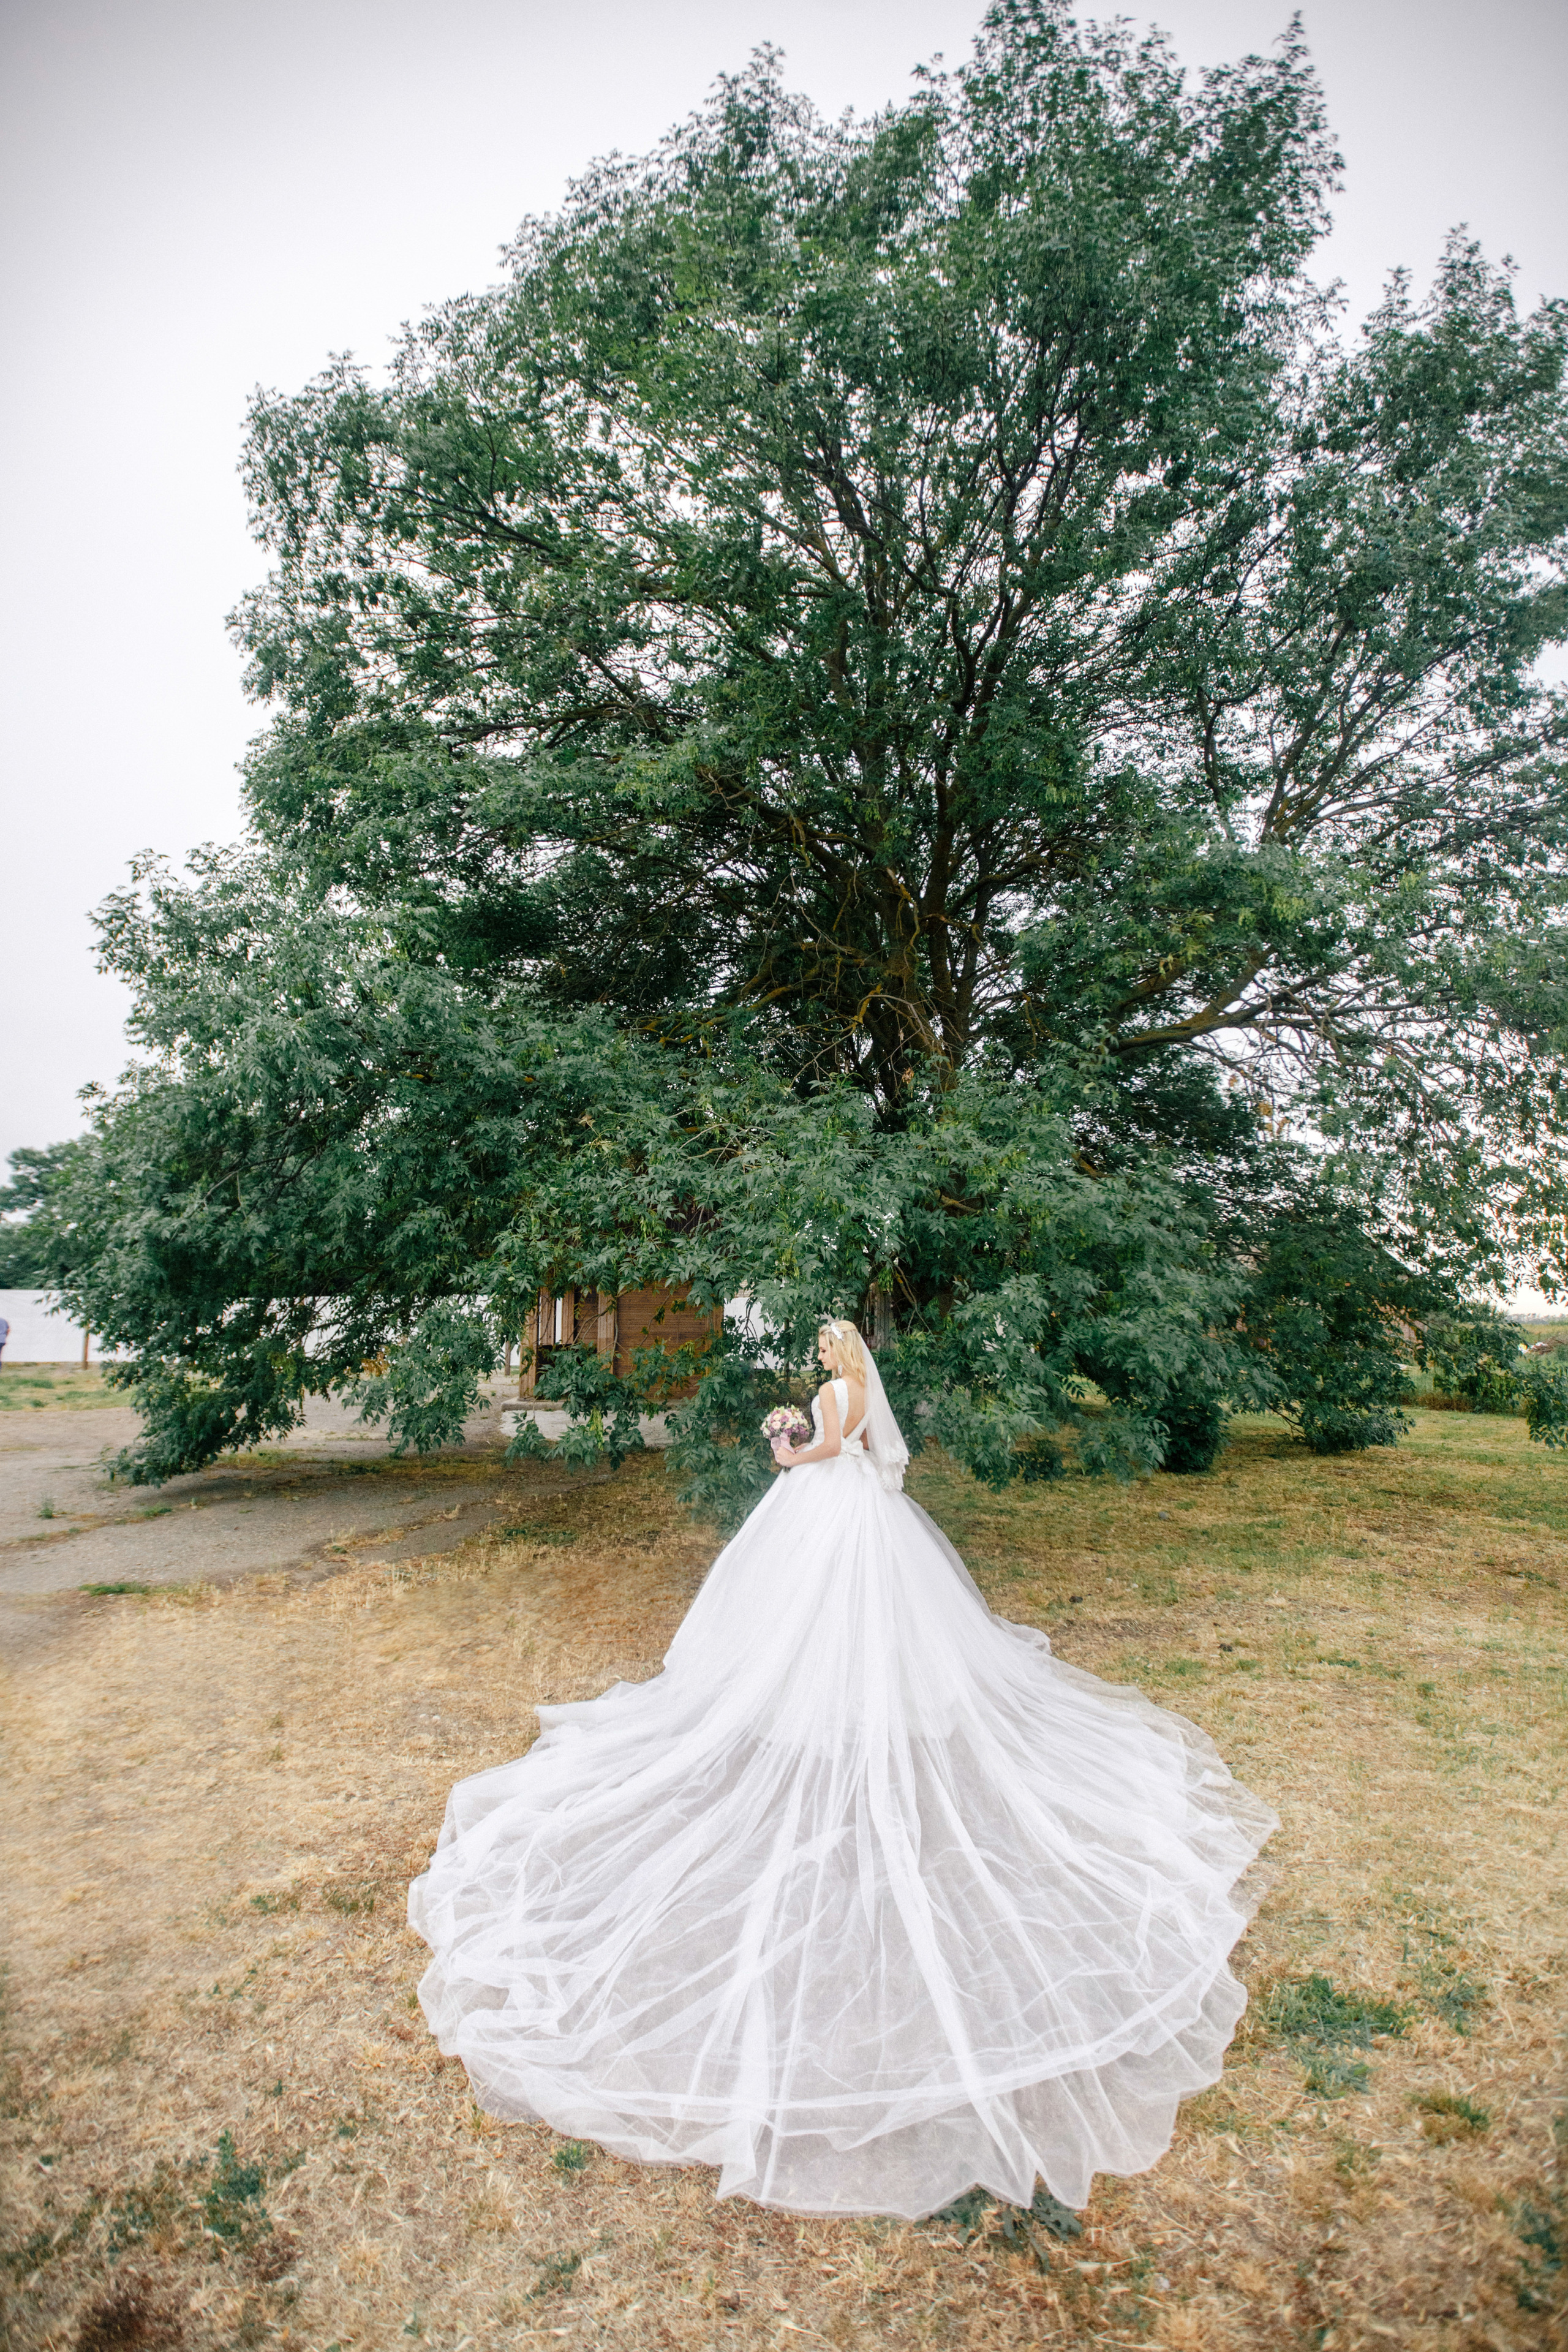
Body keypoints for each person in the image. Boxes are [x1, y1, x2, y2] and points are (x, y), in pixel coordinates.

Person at [409, 1319, 1275, 2220]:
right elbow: (861, 1451)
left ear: (838, 1354)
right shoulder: (868, 1395)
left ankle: (806, 1709)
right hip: (872, 1519)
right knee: (872, 1623)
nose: (822, 1357)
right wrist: (808, 1435)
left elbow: (812, 1456)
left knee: (803, 1619)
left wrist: (781, 1440)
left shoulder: (832, 1399)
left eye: (826, 1346)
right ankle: (861, 1703)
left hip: (823, 1514)